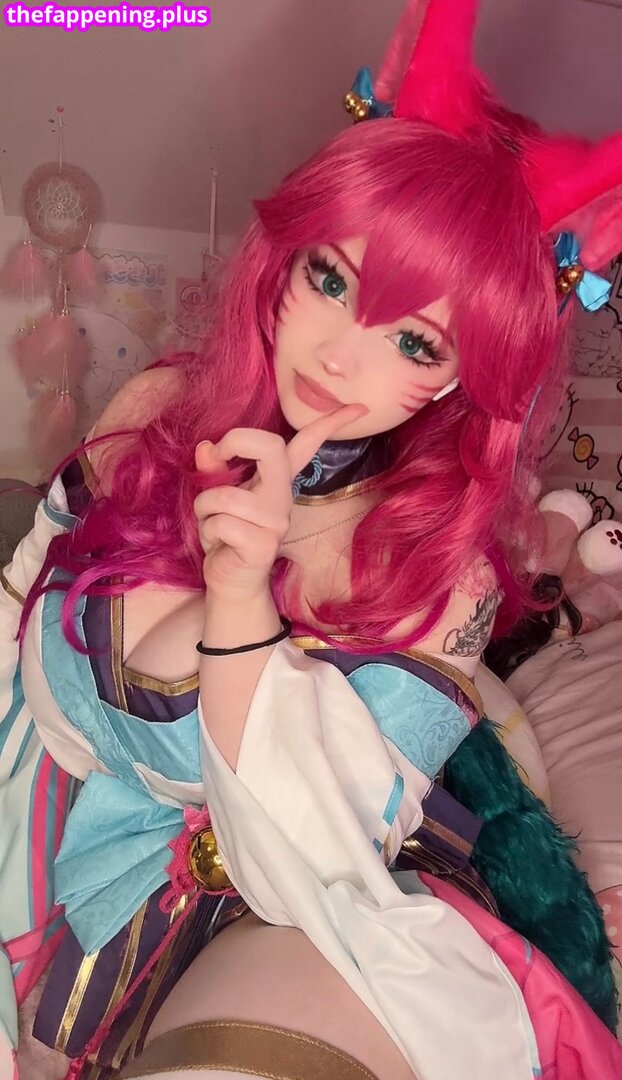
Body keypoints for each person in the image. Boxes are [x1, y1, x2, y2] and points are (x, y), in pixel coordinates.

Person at [2, 1, 622, 1077]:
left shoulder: (444, 575)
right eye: (330, 279)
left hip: (272, 893)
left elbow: (311, 854)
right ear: (283, 263)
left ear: (462, 378)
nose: (339, 355)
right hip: (41, 812)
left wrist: (244, 604)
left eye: (414, 341)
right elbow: (23, 597)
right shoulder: (157, 407)